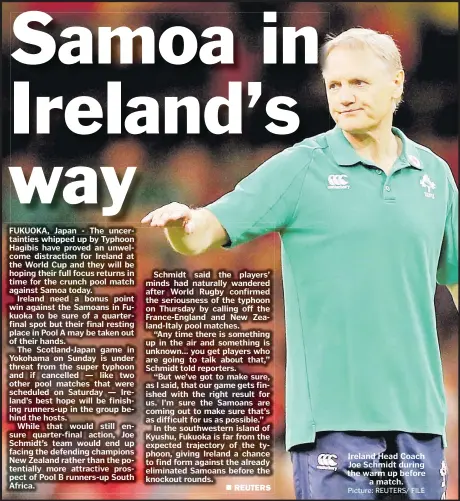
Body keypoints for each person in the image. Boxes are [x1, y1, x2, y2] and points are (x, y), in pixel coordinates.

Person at [141, 28, 458, 500]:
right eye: (334, 86)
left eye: (359, 83)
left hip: (419, 423)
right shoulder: (302, 167)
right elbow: (210, 226)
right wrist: (183, 225)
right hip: (333, 426)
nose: (345, 97)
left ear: (396, 83)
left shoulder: (435, 174)